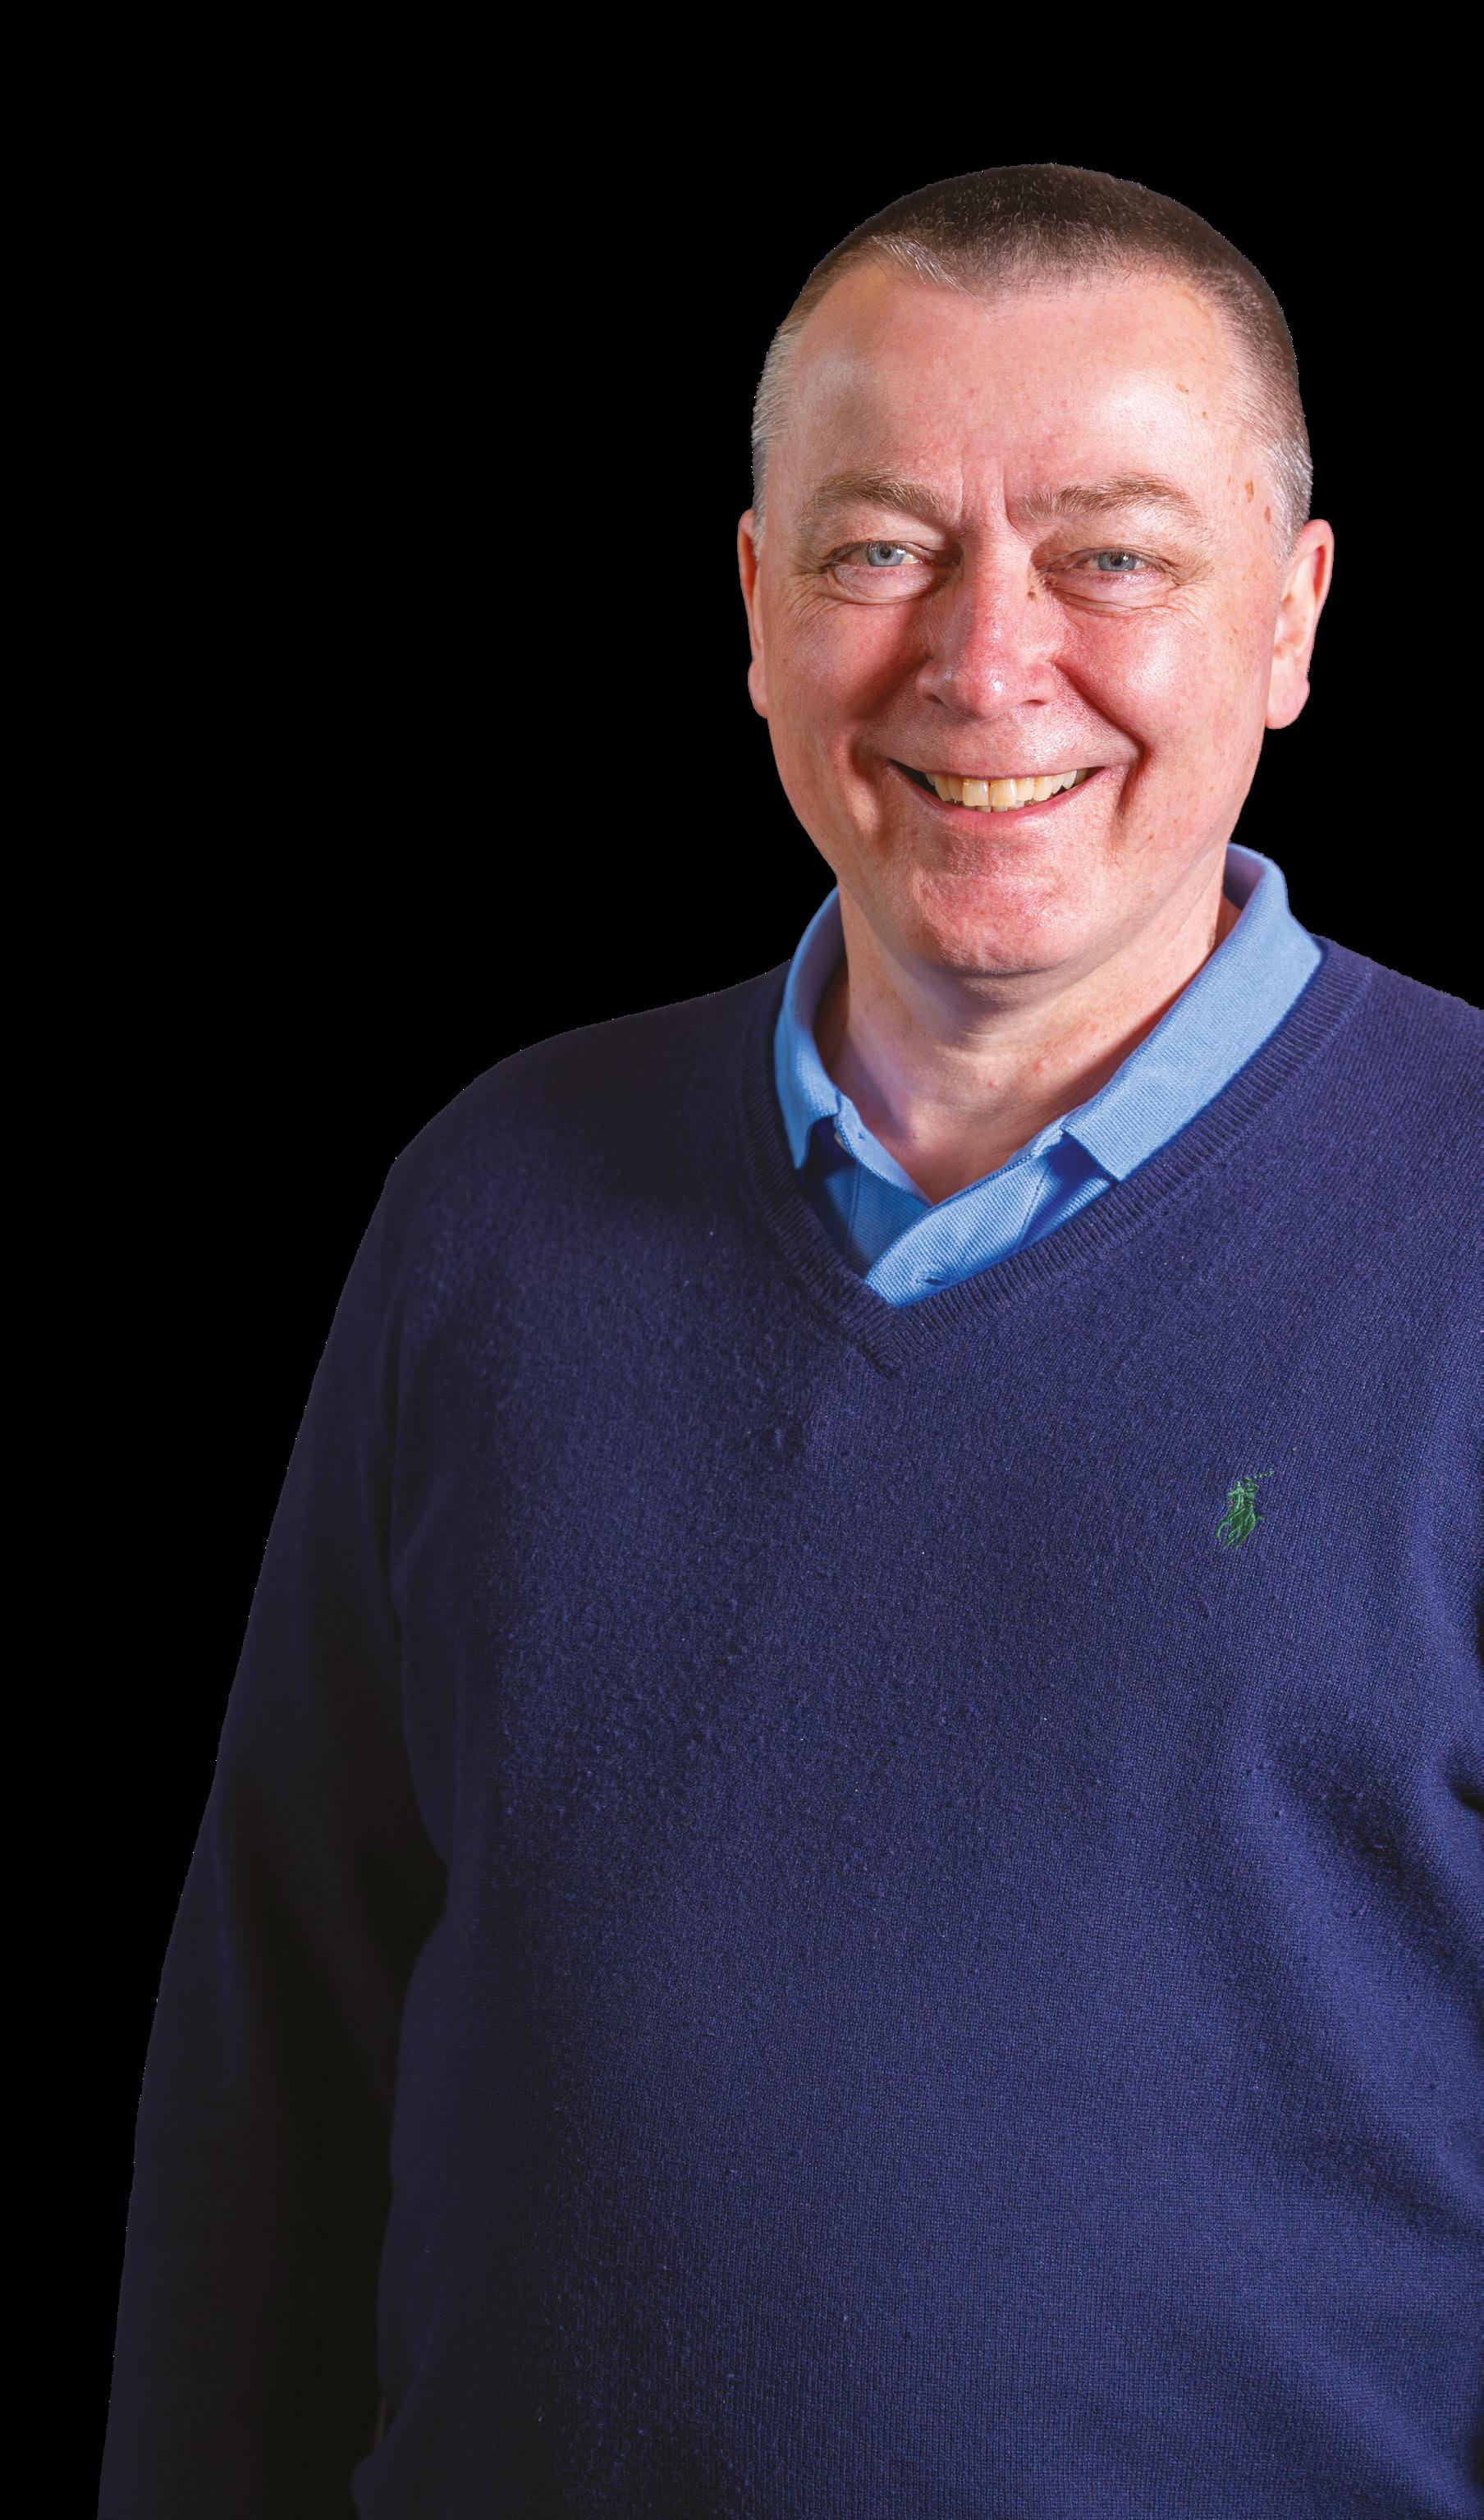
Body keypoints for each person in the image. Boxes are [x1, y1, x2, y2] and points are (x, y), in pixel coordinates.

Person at [100, 164, 1483, 2519]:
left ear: (1293, 617)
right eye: (880, 550)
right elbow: (272, 2078)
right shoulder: (493, 1211)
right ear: (756, 609)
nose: (985, 659)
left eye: (1110, 556)